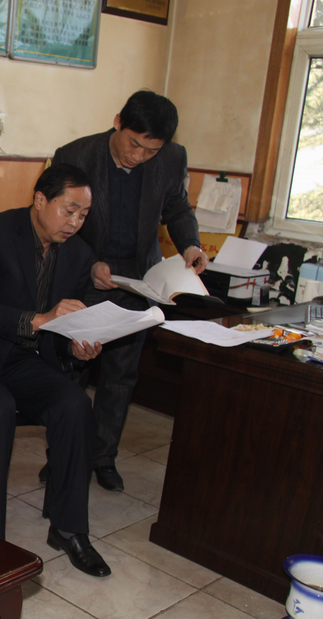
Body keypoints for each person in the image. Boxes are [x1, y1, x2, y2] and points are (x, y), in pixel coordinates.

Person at [0, 164, 110, 577]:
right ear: (40, 200)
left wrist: (77, 345)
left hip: (20, 357)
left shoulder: (79, 254)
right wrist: (40, 319)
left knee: (74, 404)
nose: (75, 222)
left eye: (84, 214)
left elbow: (62, 326)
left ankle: (69, 528)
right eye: (69, 210)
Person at [52, 90, 208, 492]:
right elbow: (59, 222)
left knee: (121, 375)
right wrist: (90, 263)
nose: (139, 156)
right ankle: (62, 459)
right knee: (72, 373)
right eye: (134, 143)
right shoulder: (76, 155)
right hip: (85, 278)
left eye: (150, 150)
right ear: (118, 121)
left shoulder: (172, 159)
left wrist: (191, 245)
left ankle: (103, 458)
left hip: (139, 282)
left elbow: (177, 208)